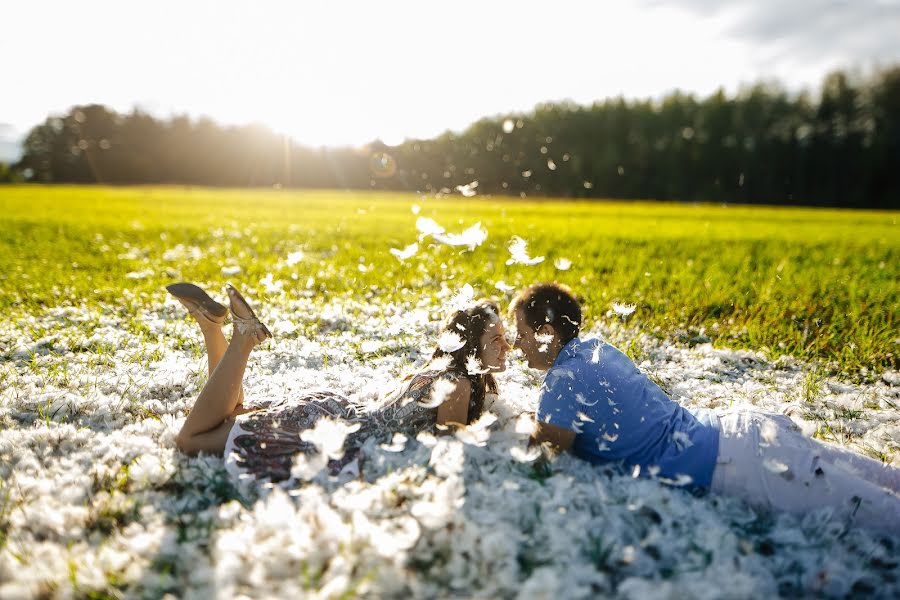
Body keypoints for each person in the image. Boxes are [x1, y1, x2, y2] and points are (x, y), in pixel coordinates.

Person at [510, 282, 900, 534]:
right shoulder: (595, 348)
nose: (515, 345)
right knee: (885, 480)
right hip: (743, 431)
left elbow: (544, 454)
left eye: (521, 334)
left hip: (739, 465)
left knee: (885, 517)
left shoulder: (561, 382)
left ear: (546, 333)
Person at [167, 282, 511, 484]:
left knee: (229, 413)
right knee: (190, 440)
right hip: (336, 433)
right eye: (495, 339)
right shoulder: (458, 384)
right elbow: (449, 454)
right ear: (471, 344)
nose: (506, 346)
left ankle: (210, 325)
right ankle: (243, 338)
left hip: (334, 413)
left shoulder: (440, 369)